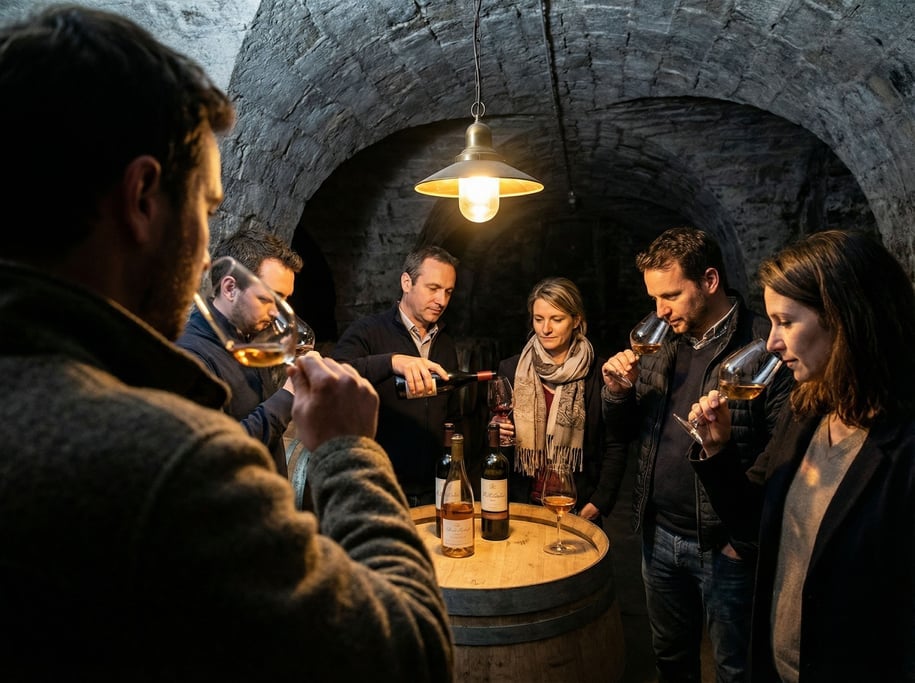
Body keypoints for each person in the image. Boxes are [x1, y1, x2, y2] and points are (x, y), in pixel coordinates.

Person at [0, 6, 452, 681]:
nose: (208, 246)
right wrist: (349, 452)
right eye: (207, 209)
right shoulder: (172, 463)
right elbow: (409, 653)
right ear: (144, 197)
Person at [687, 230, 915, 683]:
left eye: (785, 322)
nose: (771, 342)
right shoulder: (807, 410)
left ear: (845, 318)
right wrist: (718, 451)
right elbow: (756, 531)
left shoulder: (903, 446)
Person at [601, 226, 793, 683]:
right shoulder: (662, 340)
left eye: (670, 295)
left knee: (735, 667)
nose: (660, 312)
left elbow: (784, 457)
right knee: (670, 659)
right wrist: (616, 394)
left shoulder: (765, 347)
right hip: (659, 535)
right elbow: (628, 433)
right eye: (653, 299)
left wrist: (744, 543)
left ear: (709, 280)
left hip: (725, 545)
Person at [332, 246, 463, 506]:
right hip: (381, 487)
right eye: (433, 288)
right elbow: (333, 374)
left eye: (448, 292)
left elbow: (451, 413)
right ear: (406, 282)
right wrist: (391, 362)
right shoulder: (368, 331)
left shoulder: (445, 342)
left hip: (434, 487)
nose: (442, 301)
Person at [495, 277, 621, 526]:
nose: (545, 329)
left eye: (557, 319)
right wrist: (496, 435)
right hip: (523, 505)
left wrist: (598, 502)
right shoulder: (511, 369)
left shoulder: (598, 373)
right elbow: (494, 443)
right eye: (538, 319)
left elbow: (615, 443)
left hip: (577, 507)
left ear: (576, 320)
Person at [177, 228, 303, 477]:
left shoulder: (251, 339)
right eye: (270, 298)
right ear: (230, 288)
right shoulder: (191, 357)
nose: (279, 312)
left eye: (285, 301)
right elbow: (219, 454)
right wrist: (288, 396)